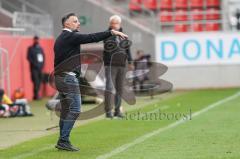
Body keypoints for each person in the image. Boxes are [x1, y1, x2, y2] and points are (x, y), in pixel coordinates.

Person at [54, 13, 128, 151]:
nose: (78, 23)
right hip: (67, 78)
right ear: (67, 24)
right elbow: (91, 37)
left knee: (66, 110)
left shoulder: (62, 38)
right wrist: (111, 32)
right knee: (75, 109)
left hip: (60, 78)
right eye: (75, 21)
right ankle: (63, 140)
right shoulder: (69, 36)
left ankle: (62, 140)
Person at [103, 15, 133, 118]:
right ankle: (108, 111)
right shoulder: (107, 34)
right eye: (112, 23)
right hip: (110, 65)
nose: (114, 25)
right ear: (110, 24)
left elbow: (127, 50)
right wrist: (114, 33)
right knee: (109, 88)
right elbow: (107, 45)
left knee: (120, 88)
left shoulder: (123, 35)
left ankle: (117, 110)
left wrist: (130, 62)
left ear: (120, 24)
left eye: (116, 23)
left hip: (122, 64)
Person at [27, 36, 45, 100]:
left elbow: (43, 58)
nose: (37, 41)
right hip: (34, 68)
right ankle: (36, 95)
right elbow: (29, 58)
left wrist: (42, 66)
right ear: (33, 40)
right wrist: (35, 64)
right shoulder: (30, 48)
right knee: (35, 81)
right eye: (35, 40)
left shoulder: (40, 49)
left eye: (37, 40)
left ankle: (37, 95)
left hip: (40, 68)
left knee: (40, 81)